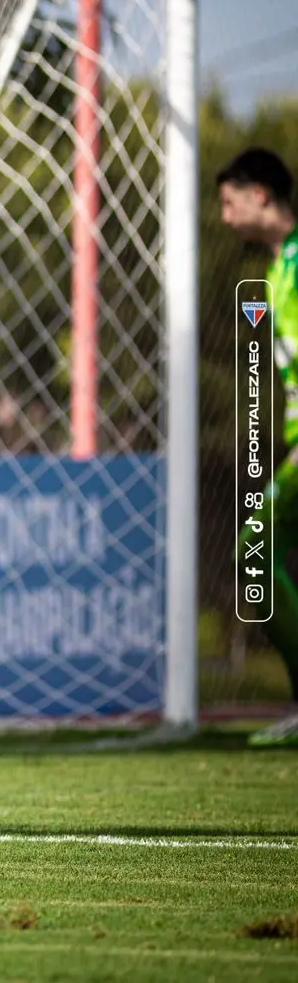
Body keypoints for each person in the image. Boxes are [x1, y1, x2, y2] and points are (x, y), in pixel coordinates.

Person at [217, 146, 298, 745]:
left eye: (228, 201)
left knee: (256, 547)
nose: (223, 217)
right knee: (257, 552)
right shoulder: (274, 271)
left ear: (260, 195)